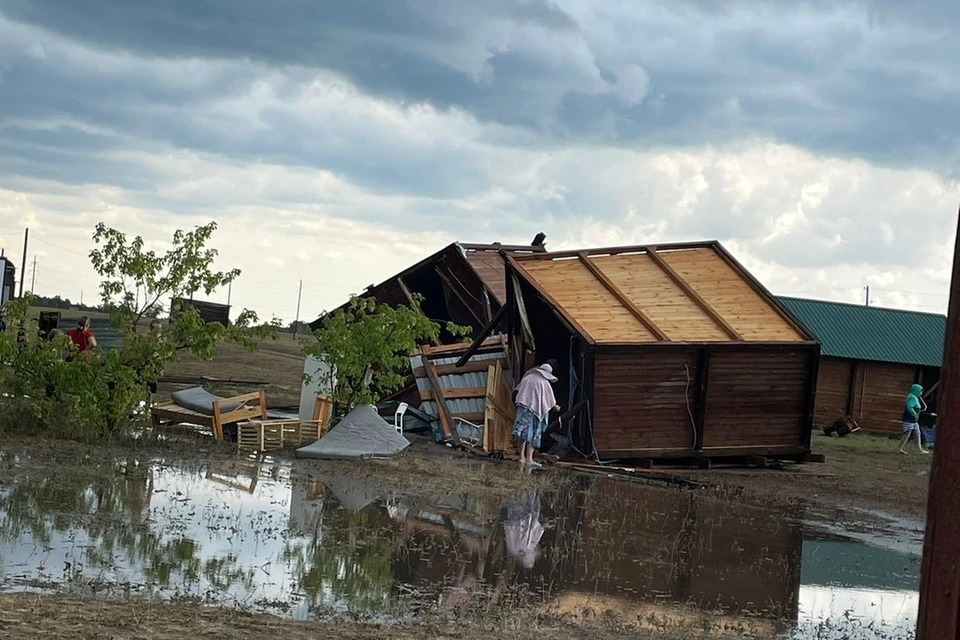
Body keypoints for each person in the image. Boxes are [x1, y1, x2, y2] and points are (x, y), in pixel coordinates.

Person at [512, 359, 560, 468]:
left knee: (522, 434)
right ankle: (529, 458)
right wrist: (555, 408)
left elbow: (516, 392)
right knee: (533, 434)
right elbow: (550, 401)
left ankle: (521, 458)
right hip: (534, 411)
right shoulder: (544, 383)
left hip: (522, 408)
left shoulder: (527, 378)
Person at [899, 383, 929, 455]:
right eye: (920, 391)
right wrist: (914, 413)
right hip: (909, 419)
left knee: (917, 433)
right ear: (917, 391)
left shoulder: (914, 397)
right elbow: (909, 406)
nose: (921, 393)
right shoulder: (912, 397)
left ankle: (920, 449)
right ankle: (900, 448)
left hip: (913, 420)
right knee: (907, 433)